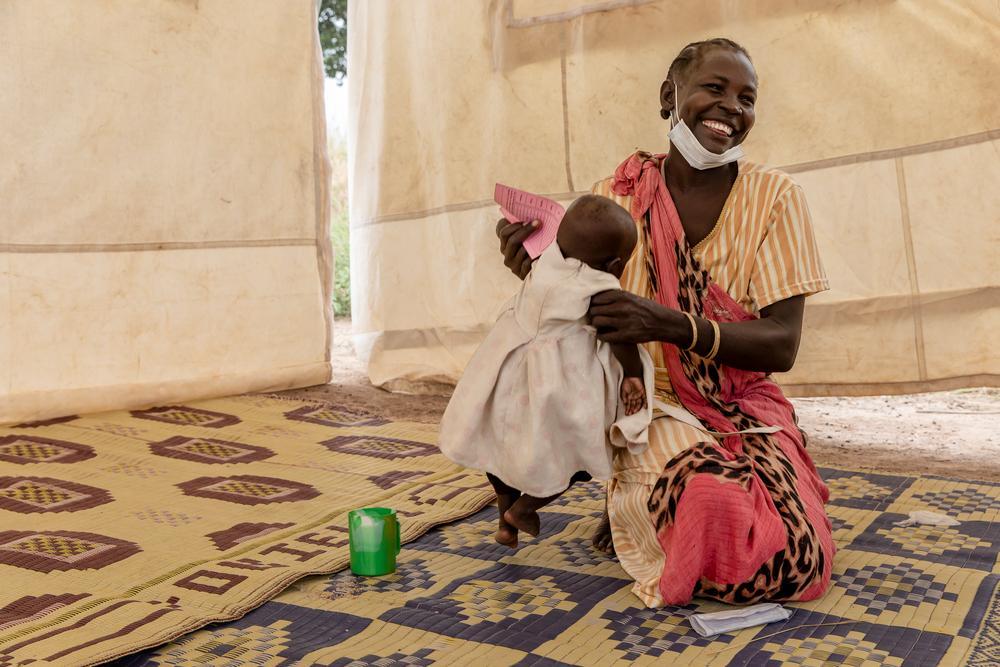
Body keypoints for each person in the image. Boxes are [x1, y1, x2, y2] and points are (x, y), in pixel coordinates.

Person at [496, 38, 834, 606]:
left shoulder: (776, 198)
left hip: (744, 410)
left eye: (747, 98)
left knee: (797, 551)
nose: (732, 106)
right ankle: (643, 499)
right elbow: (575, 322)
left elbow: (781, 345)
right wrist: (531, 273)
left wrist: (674, 325)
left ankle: (641, 507)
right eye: (715, 88)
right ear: (668, 96)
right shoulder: (612, 200)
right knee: (712, 504)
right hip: (644, 406)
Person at [441, 194, 654, 549]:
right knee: (577, 452)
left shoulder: (544, 262)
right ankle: (524, 508)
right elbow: (621, 336)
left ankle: (505, 518)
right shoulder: (601, 287)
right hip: (558, 381)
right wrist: (632, 375)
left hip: (507, 371)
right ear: (616, 265)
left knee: (497, 445)